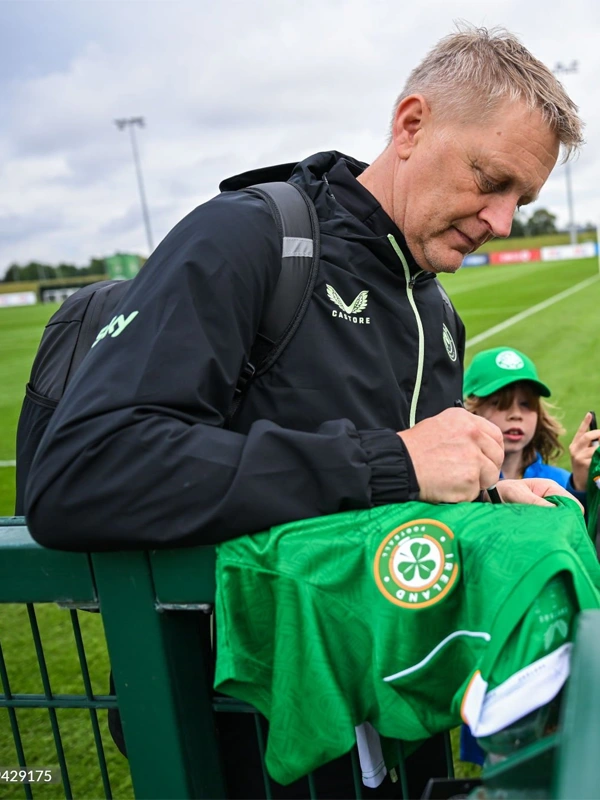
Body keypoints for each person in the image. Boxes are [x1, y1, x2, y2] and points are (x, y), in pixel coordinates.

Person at [24, 25, 584, 799]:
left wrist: (483, 493)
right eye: (490, 180)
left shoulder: (438, 312)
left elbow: (376, 501)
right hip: (239, 732)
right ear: (412, 124)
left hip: (395, 714)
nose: (501, 221)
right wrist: (394, 458)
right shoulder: (250, 238)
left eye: (521, 198)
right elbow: (82, 473)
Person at [463, 346, 598, 506]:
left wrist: (581, 489)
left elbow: (581, 530)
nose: (516, 414)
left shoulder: (558, 483)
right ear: (470, 411)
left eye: (526, 404)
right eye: (499, 403)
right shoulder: (456, 485)